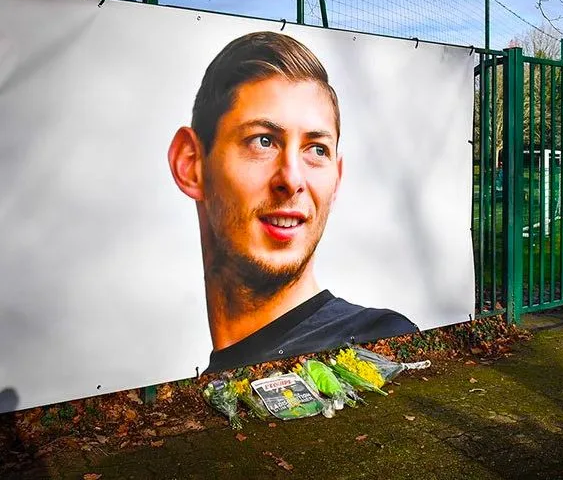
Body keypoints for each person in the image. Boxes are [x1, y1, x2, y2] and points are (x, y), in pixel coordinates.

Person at [167, 31, 418, 374]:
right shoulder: (210, 380)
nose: (292, 180)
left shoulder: (374, 341)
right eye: (263, 141)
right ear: (191, 164)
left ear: (336, 179)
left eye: (317, 150)